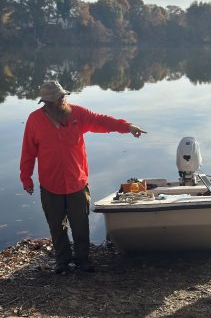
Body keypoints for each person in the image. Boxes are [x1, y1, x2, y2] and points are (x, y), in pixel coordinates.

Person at [20, 80, 147, 274]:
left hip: (76, 182)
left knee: (80, 224)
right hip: (50, 183)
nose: (62, 100)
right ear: (46, 102)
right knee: (56, 225)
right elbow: (28, 152)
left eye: (63, 96)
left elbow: (101, 121)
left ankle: (83, 259)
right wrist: (26, 178)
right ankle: (62, 261)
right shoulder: (34, 120)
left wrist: (127, 127)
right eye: (57, 98)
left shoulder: (77, 114)